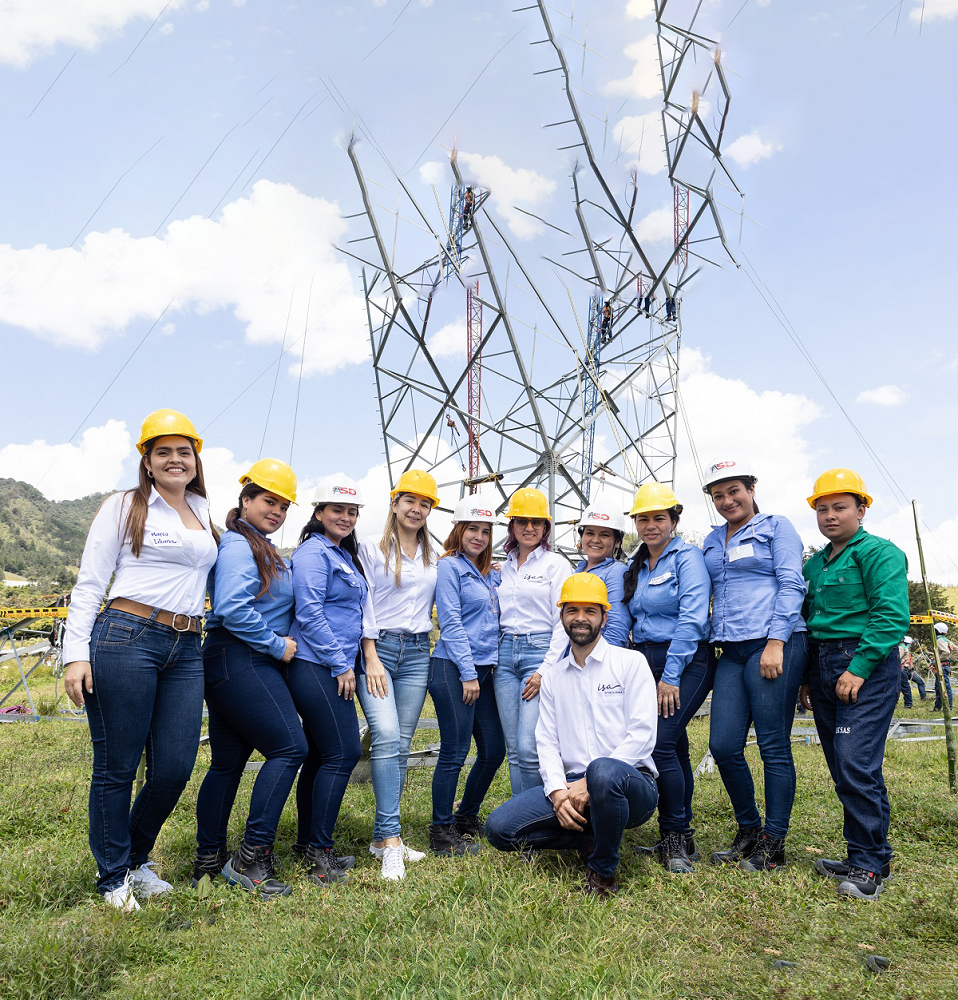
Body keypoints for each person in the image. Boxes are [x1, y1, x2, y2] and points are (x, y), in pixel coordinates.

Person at [63, 409, 218, 911]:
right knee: (117, 766)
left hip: (186, 645)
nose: (175, 460)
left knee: (174, 766)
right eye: (163, 452)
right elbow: (90, 582)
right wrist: (74, 656)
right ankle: (112, 877)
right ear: (147, 462)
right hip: (127, 636)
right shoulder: (125, 506)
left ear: (195, 459)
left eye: (183, 452)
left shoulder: (202, 509)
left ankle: (134, 857)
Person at [486, 573, 659, 898]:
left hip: (631, 783)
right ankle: (592, 836)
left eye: (590, 611)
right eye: (572, 610)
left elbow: (643, 734)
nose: (580, 618)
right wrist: (556, 792)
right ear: (562, 616)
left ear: (604, 618)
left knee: (603, 771)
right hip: (572, 784)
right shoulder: (552, 677)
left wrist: (589, 784)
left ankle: (603, 872)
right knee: (499, 829)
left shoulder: (630, 663)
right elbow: (547, 742)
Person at [192, 460, 306, 897]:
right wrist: (278, 646)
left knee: (227, 763)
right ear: (245, 500)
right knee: (290, 746)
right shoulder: (240, 545)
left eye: (282, 505)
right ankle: (250, 856)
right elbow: (233, 608)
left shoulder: (259, 544)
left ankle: (209, 859)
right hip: (242, 657)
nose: (276, 511)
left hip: (227, 659)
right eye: (267, 501)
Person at [800, 468, 909, 900]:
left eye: (839, 507)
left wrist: (859, 668)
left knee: (854, 761)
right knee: (841, 764)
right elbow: (809, 623)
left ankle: (868, 865)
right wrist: (809, 678)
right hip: (824, 664)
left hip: (865, 664)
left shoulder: (880, 553)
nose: (829, 516)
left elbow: (890, 615)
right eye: (822, 508)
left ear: (861, 510)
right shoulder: (814, 564)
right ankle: (864, 853)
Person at [701, 458, 808, 872]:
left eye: (734, 491)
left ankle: (773, 842)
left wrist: (777, 640)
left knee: (772, 745)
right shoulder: (710, 540)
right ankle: (749, 828)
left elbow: (791, 582)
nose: (727, 501)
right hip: (731, 649)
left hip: (773, 643)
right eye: (718, 495)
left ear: (751, 488)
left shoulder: (776, 527)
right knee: (723, 745)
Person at [622, 482, 713, 873]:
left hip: (686, 659)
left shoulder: (687, 558)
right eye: (644, 519)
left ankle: (675, 837)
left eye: (659, 518)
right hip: (645, 660)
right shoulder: (636, 564)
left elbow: (693, 618)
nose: (651, 525)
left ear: (674, 520)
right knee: (674, 747)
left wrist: (671, 675)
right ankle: (682, 834)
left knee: (658, 745)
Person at [356, 469, 439, 880]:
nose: (417, 509)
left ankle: (380, 838)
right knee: (386, 735)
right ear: (394, 503)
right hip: (380, 649)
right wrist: (370, 655)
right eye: (410, 501)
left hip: (417, 651)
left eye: (425, 504)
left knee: (402, 744)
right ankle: (391, 841)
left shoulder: (431, 557)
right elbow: (364, 604)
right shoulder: (371, 549)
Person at [286, 476, 369, 887]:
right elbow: (309, 613)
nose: (346, 517)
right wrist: (341, 665)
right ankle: (320, 851)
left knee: (320, 756)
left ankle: (307, 845)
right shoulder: (312, 553)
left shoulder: (341, 555)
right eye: (337, 510)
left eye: (352, 512)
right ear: (319, 513)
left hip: (329, 663)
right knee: (343, 752)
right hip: (315, 664)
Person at [428, 493, 505, 856]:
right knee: (455, 753)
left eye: (485, 531)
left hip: (486, 671)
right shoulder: (449, 567)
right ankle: (441, 832)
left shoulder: (490, 574)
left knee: (493, 750)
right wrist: (468, 673)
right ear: (458, 530)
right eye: (472, 529)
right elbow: (452, 622)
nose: (479, 537)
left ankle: (465, 816)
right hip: (453, 669)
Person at [495, 487, 572, 794]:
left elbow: (562, 624)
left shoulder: (556, 565)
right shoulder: (504, 567)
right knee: (513, 749)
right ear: (512, 526)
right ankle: (518, 820)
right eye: (522, 521)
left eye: (536, 522)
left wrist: (545, 669)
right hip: (504, 656)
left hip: (537, 654)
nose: (529, 528)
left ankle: (535, 817)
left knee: (529, 747)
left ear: (545, 528)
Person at [574, 498, 630, 648]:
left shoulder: (616, 572)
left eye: (604, 535)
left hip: (597, 661)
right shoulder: (578, 571)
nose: (595, 540)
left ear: (617, 541)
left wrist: (603, 666)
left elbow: (617, 627)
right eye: (590, 533)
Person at [898, 635, 926, 708]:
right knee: (905, 687)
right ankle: (908, 704)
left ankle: (923, 698)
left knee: (920, 682)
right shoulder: (902, 647)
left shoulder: (906, 647)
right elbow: (899, 658)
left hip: (909, 670)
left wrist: (918, 659)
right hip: (903, 670)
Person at [933, 622, 955, 712]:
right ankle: (937, 707)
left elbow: (946, 652)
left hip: (941, 667)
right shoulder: (946, 640)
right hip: (944, 666)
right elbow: (956, 650)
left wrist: (937, 660)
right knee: (938, 687)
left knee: (945, 687)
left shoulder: (939, 640)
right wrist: (950, 659)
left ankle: (949, 707)